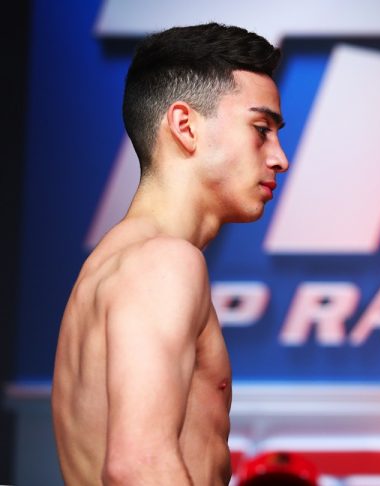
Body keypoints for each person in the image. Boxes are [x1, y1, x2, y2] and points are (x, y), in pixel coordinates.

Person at [52, 22, 288, 485]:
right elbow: (139, 466)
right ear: (185, 126)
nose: (280, 157)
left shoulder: (114, 262)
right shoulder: (163, 262)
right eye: (262, 130)